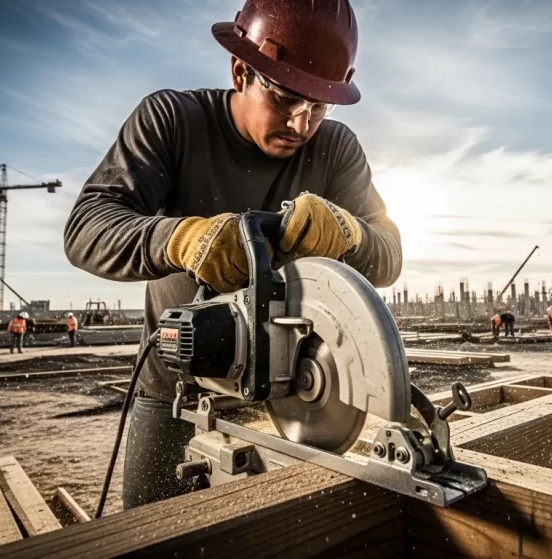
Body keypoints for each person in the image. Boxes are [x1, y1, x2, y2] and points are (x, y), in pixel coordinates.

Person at [63, 0, 401, 510]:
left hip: (298, 389)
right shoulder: (173, 121)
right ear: (241, 70)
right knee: (152, 532)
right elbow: (86, 228)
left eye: (320, 105)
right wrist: (179, 239)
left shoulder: (336, 148)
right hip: (177, 390)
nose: (303, 121)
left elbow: (390, 257)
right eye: (287, 98)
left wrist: (350, 233)